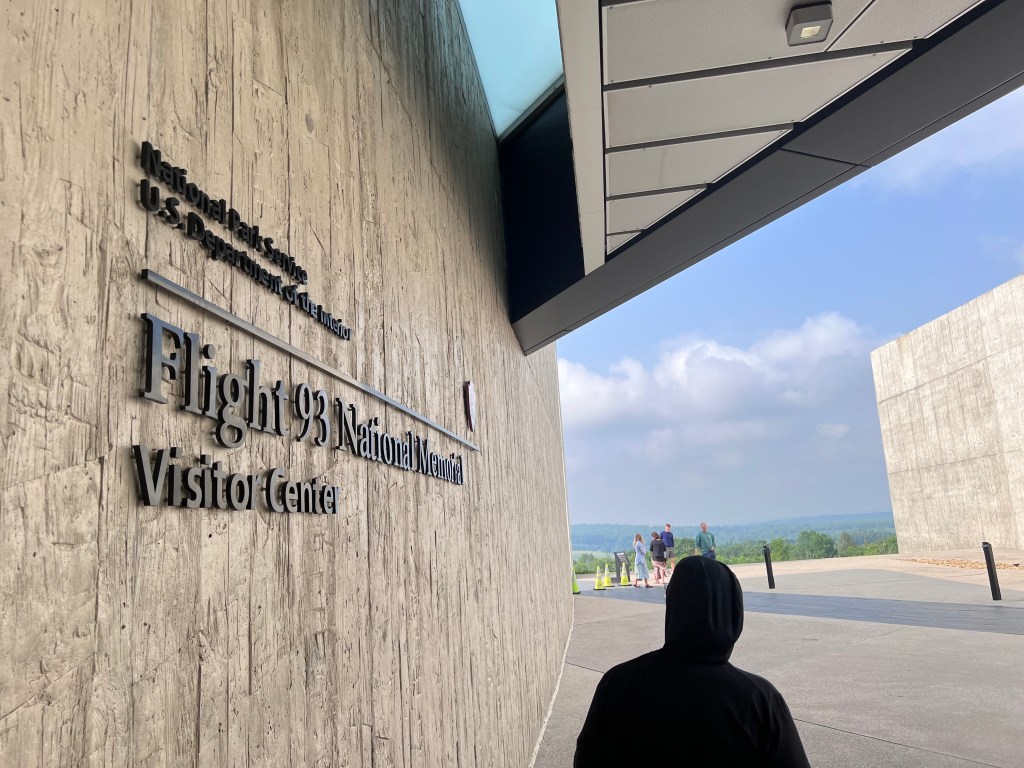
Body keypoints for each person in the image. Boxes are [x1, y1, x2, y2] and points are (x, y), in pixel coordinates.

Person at [575, 557, 810, 766]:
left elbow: (588, 759)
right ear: (733, 611)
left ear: (675, 607)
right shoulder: (759, 699)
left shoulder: (618, 683)